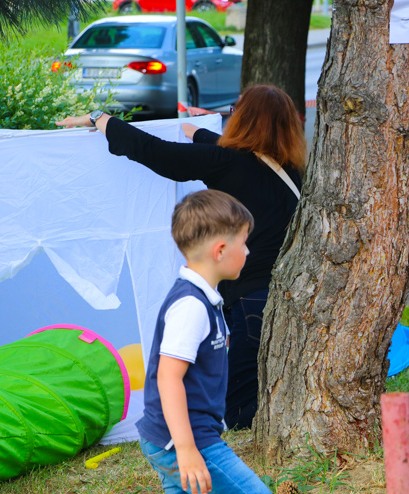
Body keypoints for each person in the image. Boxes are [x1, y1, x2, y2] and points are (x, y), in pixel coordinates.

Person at [56, 85, 306, 430]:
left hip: (251, 303)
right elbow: (232, 154)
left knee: (240, 412)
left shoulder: (229, 164)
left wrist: (102, 119)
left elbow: (156, 153)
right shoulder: (290, 171)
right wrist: (196, 130)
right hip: (288, 298)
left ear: (244, 120)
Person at [135, 189, 276, 494]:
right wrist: (186, 449)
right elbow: (168, 377)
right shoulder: (190, 306)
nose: (248, 253)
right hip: (185, 439)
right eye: (244, 243)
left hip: (174, 437)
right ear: (219, 250)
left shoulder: (204, 299)